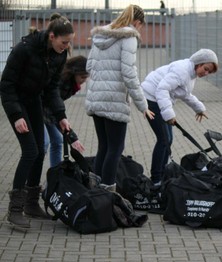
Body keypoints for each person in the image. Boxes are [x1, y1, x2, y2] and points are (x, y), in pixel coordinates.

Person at [0, 13, 76, 228]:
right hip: (15, 100)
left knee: (41, 150)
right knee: (30, 151)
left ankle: (31, 204)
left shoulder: (59, 55)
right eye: (64, 42)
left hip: (34, 101)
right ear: (52, 36)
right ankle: (15, 209)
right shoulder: (25, 49)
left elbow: (52, 89)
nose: (66, 46)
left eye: (69, 42)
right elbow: (6, 85)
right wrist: (16, 117)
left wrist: (61, 116)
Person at [85, 5, 154, 192]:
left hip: (96, 98)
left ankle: (94, 189)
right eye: (141, 26)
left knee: (104, 146)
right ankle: (107, 193)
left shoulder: (101, 35)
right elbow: (129, 74)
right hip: (115, 100)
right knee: (115, 149)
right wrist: (143, 106)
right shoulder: (129, 37)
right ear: (137, 22)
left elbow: (89, 66)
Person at [141, 48, 218, 185]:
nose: (205, 73)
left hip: (159, 100)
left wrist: (198, 108)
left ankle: (163, 174)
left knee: (168, 140)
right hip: (151, 99)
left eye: (209, 72)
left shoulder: (191, 74)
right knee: (164, 140)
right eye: (205, 69)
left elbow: (185, 94)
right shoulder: (182, 71)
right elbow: (162, 89)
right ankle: (156, 180)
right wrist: (169, 114)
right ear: (199, 63)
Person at [43, 55, 87, 167]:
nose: (84, 81)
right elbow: (54, 109)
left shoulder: (70, 84)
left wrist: (71, 137)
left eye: (86, 78)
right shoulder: (62, 81)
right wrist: (71, 136)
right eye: (82, 77)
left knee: (57, 141)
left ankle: (56, 174)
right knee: (43, 143)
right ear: (74, 72)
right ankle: (31, 179)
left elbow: (56, 110)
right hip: (37, 109)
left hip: (47, 111)